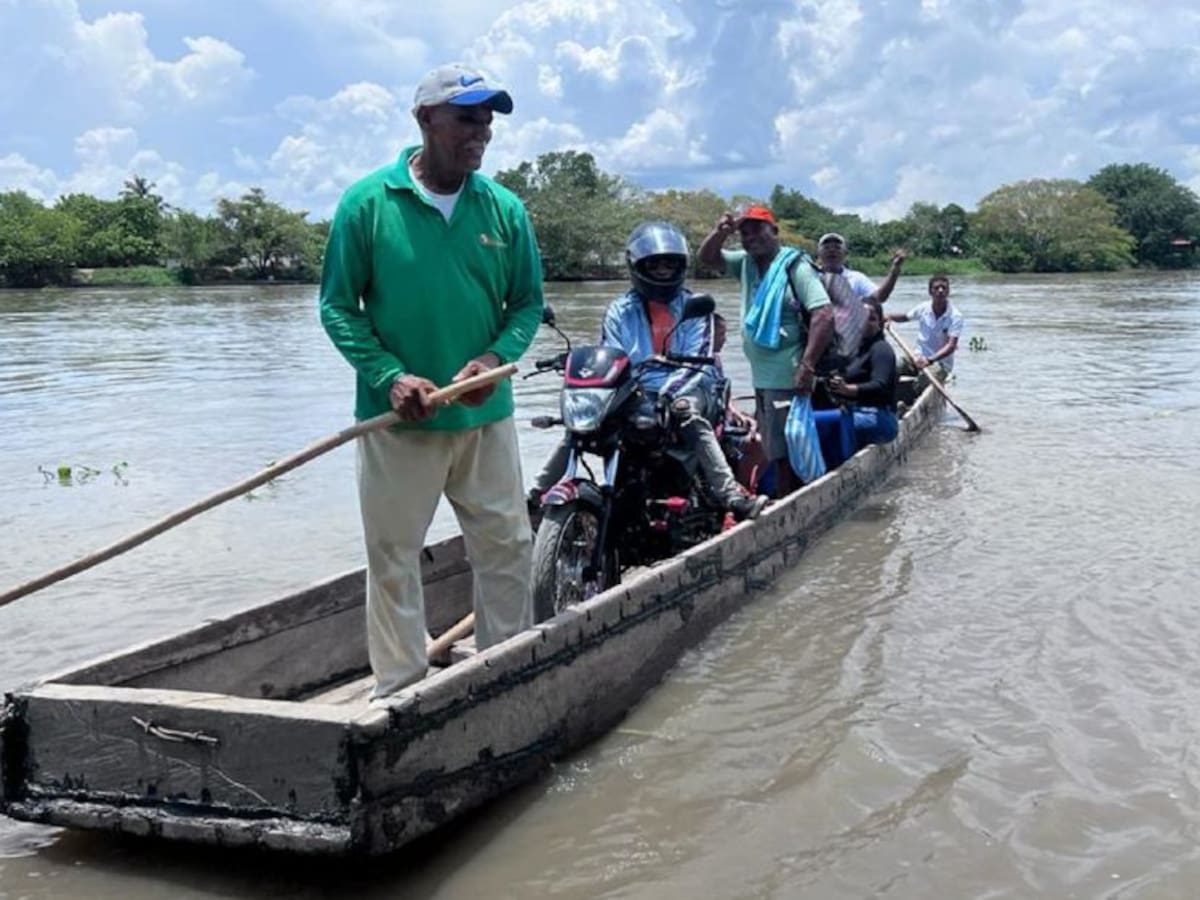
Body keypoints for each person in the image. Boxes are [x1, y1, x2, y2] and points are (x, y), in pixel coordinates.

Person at [319, 62, 544, 701]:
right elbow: (337, 304)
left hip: (484, 418)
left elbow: (526, 304)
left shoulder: (503, 209)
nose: (482, 133)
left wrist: (492, 358)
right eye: (467, 118)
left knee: (507, 548)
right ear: (425, 120)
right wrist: (389, 376)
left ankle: (507, 674)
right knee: (392, 558)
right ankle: (398, 689)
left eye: (488, 121)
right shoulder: (368, 203)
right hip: (401, 424)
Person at [531, 222, 767, 521]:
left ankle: (730, 495)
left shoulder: (696, 307)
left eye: (670, 264)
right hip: (638, 392)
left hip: (691, 387)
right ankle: (533, 497)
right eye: (655, 265)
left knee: (688, 416)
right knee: (580, 425)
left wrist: (667, 396)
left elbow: (698, 359)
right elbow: (613, 354)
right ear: (638, 266)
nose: (663, 271)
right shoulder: (619, 309)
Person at [698, 205, 834, 497]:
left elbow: (823, 314)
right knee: (772, 446)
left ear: (774, 231)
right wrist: (721, 233)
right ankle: (779, 496)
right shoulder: (745, 263)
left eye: (758, 229)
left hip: (788, 374)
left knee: (786, 449)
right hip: (761, 377)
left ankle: (789, 503)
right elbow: (707, 259)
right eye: (744, 233)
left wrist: (807, 366)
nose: (751, 238)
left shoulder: (794, 266)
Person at [815, 232, 907, 358]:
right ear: (819, 254)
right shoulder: (810, 277)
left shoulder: (856, 278)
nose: (832, 251)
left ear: (845, 254)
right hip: (818, 338)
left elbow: (879, 297)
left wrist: (895, 269)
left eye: (837, 247)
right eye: (826, 248)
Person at [828, 299, 899, 446]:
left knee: (832, 422)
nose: (865, 322)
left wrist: (848, 390)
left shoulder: (881, 349)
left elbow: (880, 385)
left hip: (879, 416)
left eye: (872, 319)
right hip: (855, 412)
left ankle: (844, 463)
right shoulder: (849, 350)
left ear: (880, 324)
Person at [886, 273, 964, 381]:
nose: (940, 291)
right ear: (930, 291)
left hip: (940, 364)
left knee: (925, 379)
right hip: (918, 358)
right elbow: (905, 317)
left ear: (948, 291)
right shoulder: (924, 308)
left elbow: (951, 346)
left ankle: (913, 394)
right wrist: (888, 316)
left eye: (944, 288)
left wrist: (929, 360)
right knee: (894, 368)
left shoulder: (955, 316)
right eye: (936, 288)